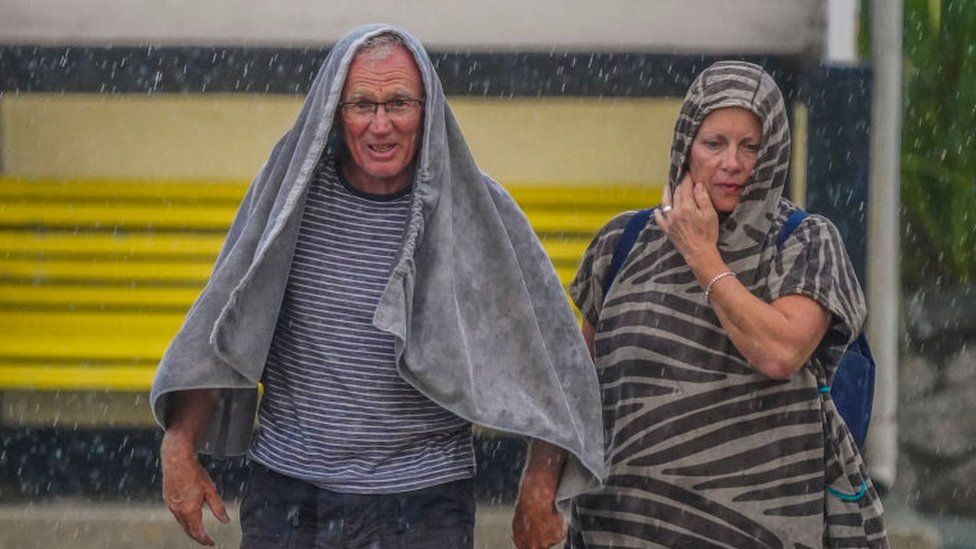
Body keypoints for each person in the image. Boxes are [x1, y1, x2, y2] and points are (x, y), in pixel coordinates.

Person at [151, 24, 605, 548]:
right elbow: (224, 321)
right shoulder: (289, 198)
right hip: (291, 501)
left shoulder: (477, 209)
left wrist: (538, 484)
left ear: (428, 109)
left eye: (399, 103)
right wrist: (179, 445)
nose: (380, 124)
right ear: (334, 113)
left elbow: (550, 359)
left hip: (425, 505)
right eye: (361, 105)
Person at [514, 61, 888, 547]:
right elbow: (573, 381)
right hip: (624, 528)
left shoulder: (805, 243)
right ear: (685, 146)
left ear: (773, 151)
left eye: (750, 147)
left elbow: (780, 353)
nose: (731, 163)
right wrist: (537, 485)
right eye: (714, 144)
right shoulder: (622, 242)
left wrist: (702, 255)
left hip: (760, 531)